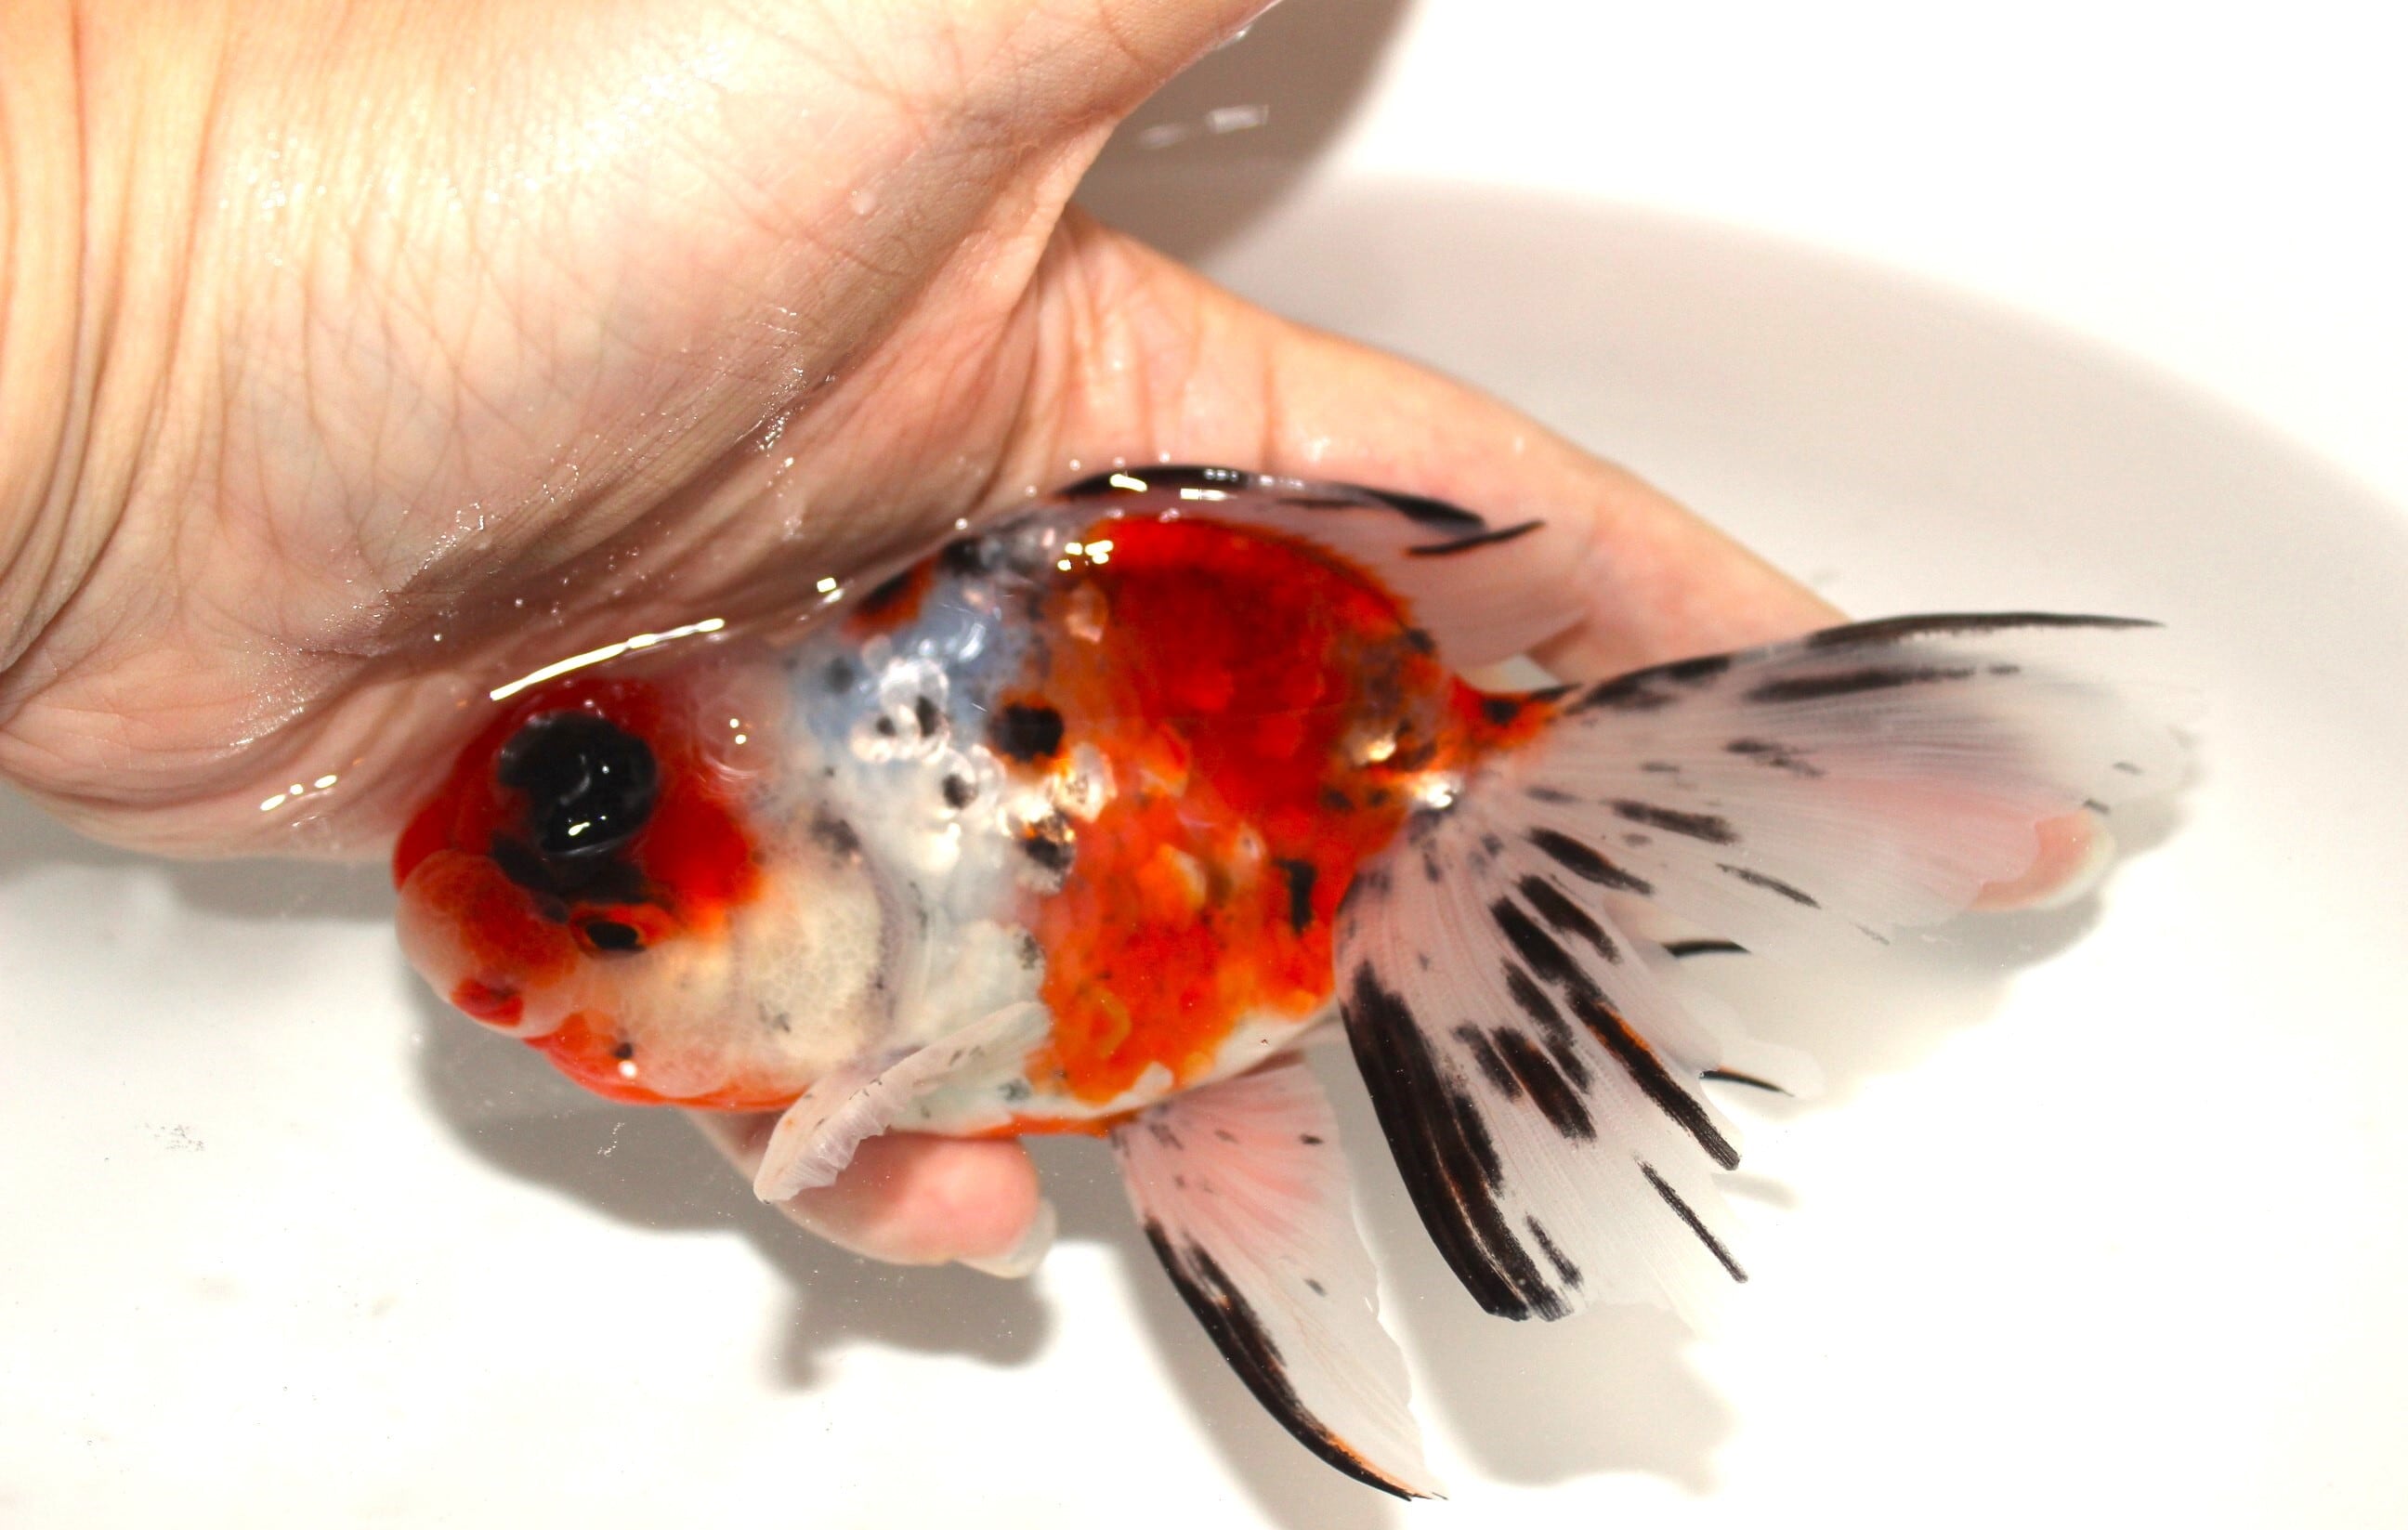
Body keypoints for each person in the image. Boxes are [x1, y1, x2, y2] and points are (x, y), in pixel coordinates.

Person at [0, 0, 2078, 1275]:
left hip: (1225, 792)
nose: (525, 912)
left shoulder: (816, 769)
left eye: (585, 819)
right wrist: (123, 366)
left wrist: (139, 364)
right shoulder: (729, 775)